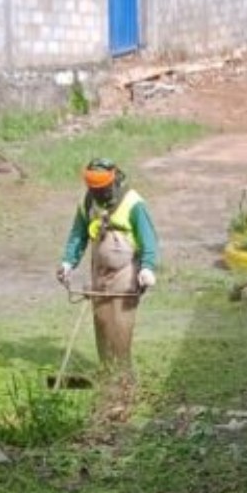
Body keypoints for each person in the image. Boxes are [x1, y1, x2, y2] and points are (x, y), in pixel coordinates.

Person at [56, 158, 159, 376]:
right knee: (102, 325)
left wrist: (147, 267)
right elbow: (78, 234)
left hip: (126, 274)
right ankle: (106, 372)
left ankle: (123, 378)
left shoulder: (133, 203)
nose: (98, 193)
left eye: (102, 189)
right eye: (94, 189)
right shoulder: (88, 202)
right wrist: (68, 263)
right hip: (99, 273)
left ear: (113, 181)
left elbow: (149, 238)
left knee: (119, 329)